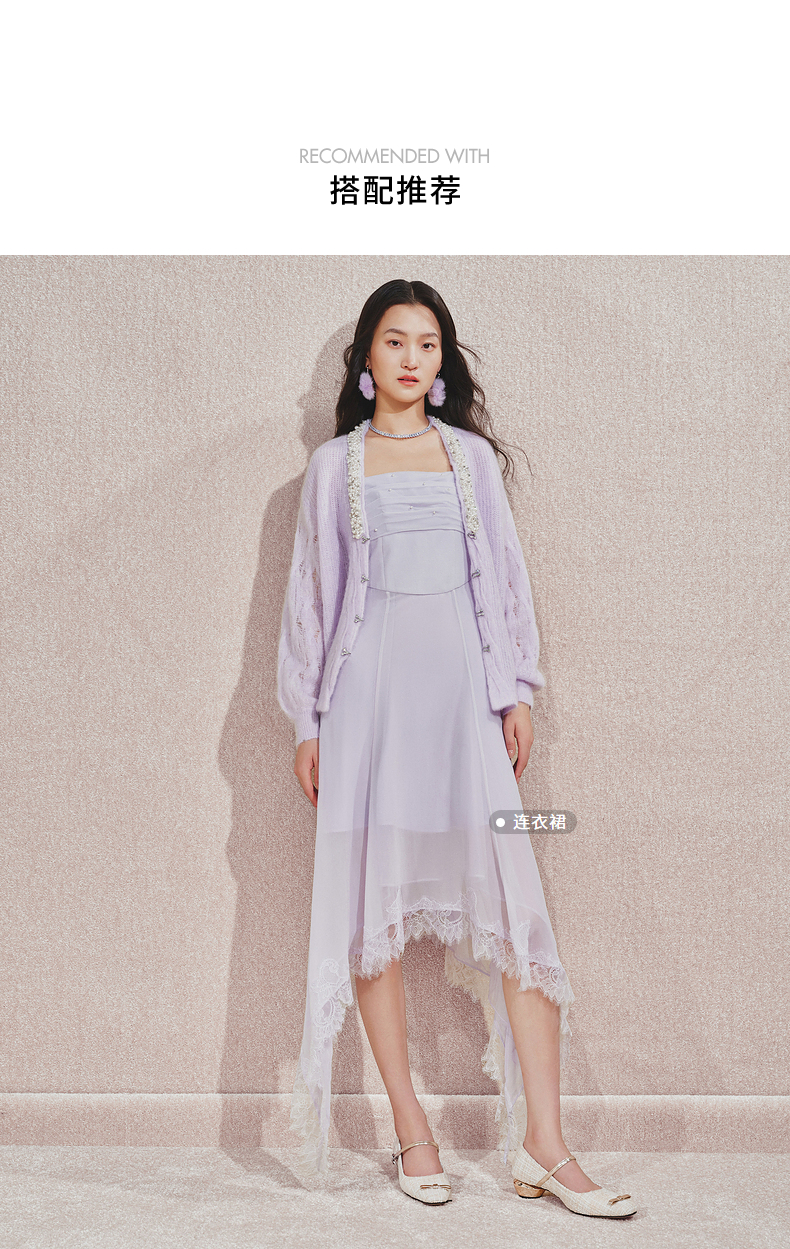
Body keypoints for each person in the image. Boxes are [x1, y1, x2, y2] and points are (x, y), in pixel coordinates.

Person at [276, 279, 636, 1218]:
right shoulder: (333, 468)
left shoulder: (469, 458)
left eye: (428, 342)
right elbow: (310, 600)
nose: (411, 357)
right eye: (395, 340)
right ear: (366, 357)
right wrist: (309, 723)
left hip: (465, 704)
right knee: (371, 909)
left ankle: (545, 1144)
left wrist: (515, 688)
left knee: (517, 911)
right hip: (366, 708)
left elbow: (505, 579)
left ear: (442, 362)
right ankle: (412, 1128)